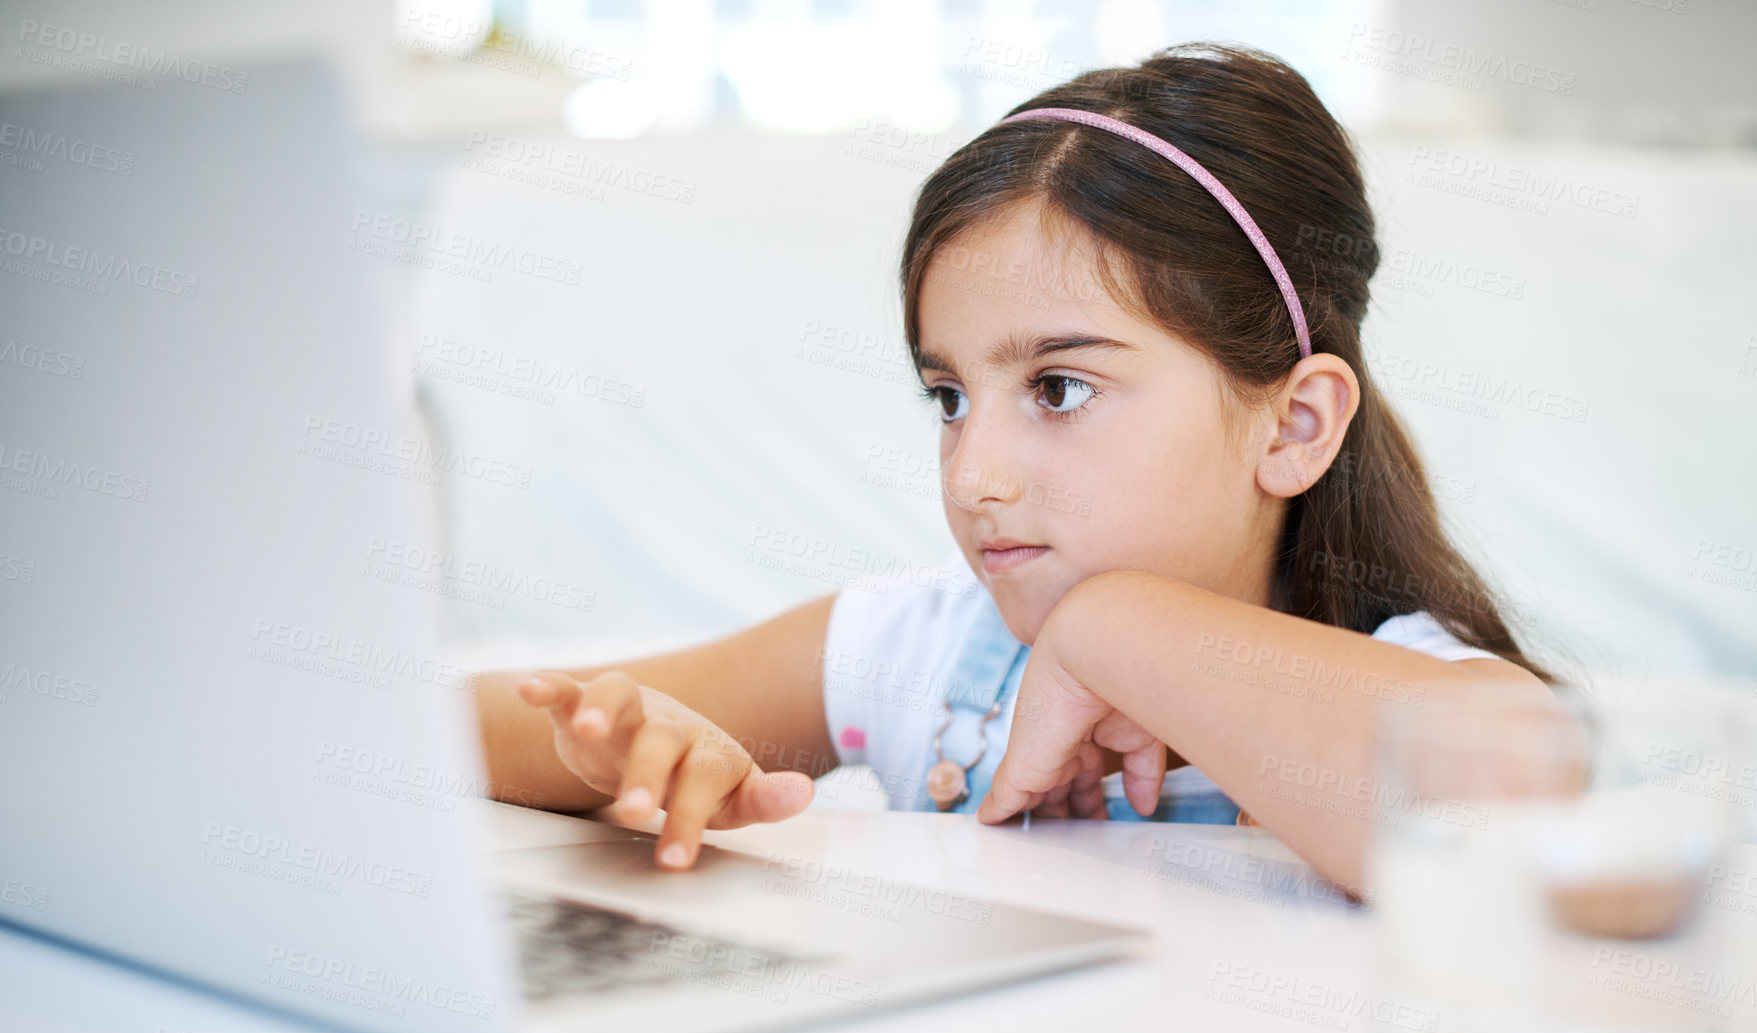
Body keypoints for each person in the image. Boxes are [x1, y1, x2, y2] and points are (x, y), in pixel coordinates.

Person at [472, 43, 1554, 895]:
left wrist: (1111, 628)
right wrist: (604, 758)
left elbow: (1511, 796)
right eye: (948, 398)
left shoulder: (1396, 673)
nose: (973, 476)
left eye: (1057, 389)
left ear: (1293, 426)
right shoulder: (922, 653)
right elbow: (455, 724)